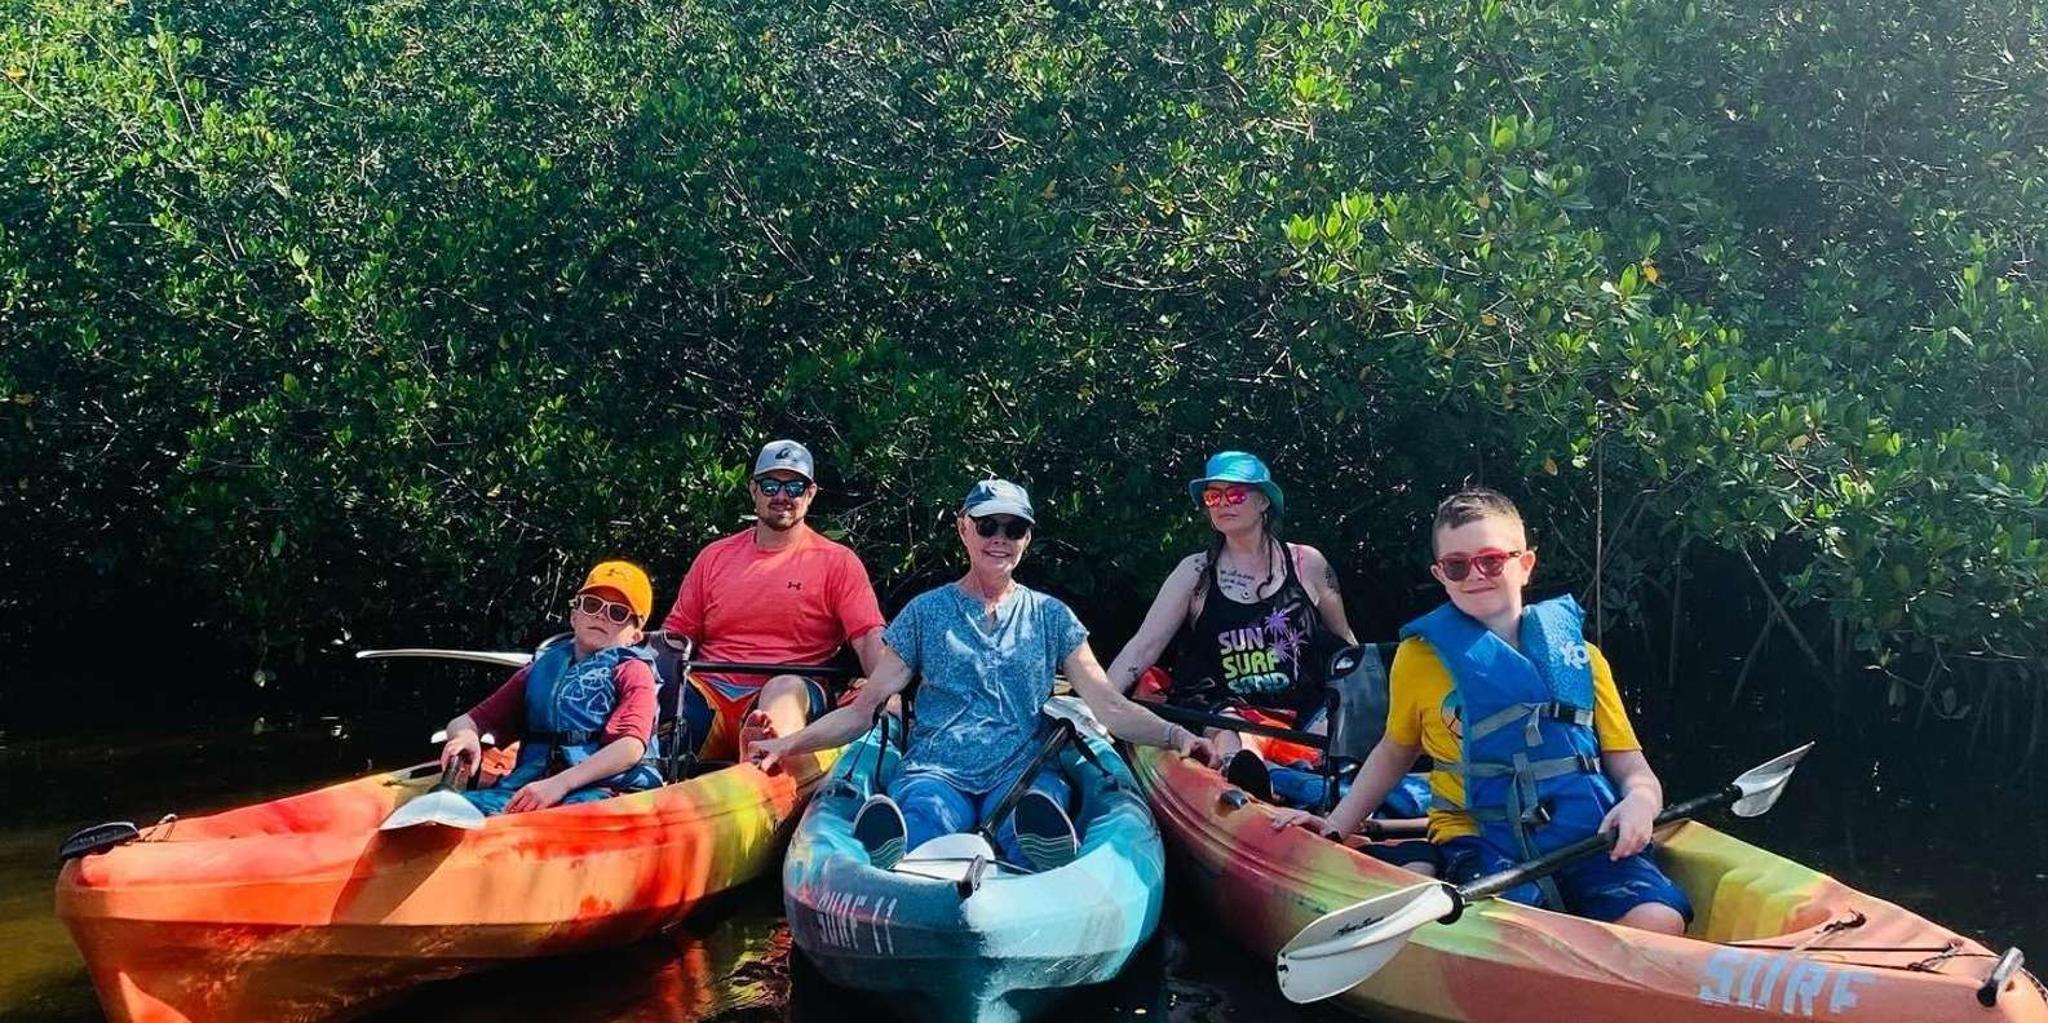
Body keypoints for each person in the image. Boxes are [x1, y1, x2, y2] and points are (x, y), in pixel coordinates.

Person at [1275, 487, 1691, 933]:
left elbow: (1633, 768)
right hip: (1481, 840)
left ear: (1525, 564)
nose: (1475, 575)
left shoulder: (1582, 658)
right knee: (1518, 931)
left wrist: (1641, 806)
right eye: (1457, 566)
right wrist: (1336, 824)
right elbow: (1394, 752)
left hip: (1588, 838)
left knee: (1659, 920)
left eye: (1491, 560)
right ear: (1440, 573)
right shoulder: (1419, 661)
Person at [749, 478, 1221, 871]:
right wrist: (786, 745)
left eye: (1013, 528)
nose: (1000, 537)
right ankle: (902, 855)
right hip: (937, 768)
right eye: (987, 525)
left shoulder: (1052, 617)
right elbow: (863, 712)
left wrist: (1176, 735)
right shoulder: (925, 613)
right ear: (963, 530)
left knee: (1033, 812)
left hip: (1022, 770)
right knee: (925, 809)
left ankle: (1037, 863)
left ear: (1027, 538)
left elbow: (1108, 705)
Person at [1103, 451, 1357, 801]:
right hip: (1227, 710)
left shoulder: (1307, 563)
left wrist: (1362, 704)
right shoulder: (1194, 573)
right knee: (1233, 740)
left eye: (1234, 494)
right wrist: (1097, 705)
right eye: (1213, 496)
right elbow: (1143, 647)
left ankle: (1316, 788)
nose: (1222, 503)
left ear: (1263, 501)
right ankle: (1263, 782)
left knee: (1332, 737)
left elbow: (1346, 645)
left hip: (1304, 712)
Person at [661, 440, 888, 762]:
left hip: (788, 691)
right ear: (754, 490)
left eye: (794, 487)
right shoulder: (714, 557)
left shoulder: (838, 562)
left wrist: (885, 692)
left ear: (810, 493)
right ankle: (633, 777)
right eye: (770, 485)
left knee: (783, 689)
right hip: (709, 689)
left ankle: (762, 765)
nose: (781, 496)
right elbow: (676, 636)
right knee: (660, 698)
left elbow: (867, 638)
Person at [439, 560, 663, 814]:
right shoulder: (538, 670)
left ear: (635, 636)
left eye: (618, 613)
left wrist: (560, 784)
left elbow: (630, 747)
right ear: (574, 615)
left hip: (601, 790)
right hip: (533, 785)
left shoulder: (633, 671)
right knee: (462, 809)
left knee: (573, 811)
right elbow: (465, 721)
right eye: (592, 605)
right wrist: (465, 737)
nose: (601, 615)